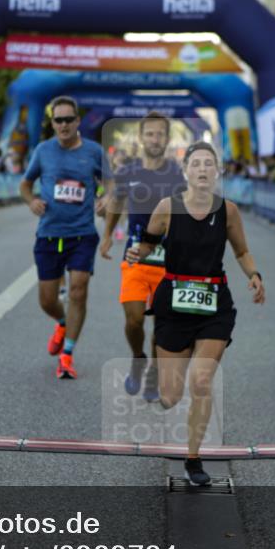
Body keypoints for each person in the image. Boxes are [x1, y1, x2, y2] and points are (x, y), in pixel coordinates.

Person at [127, 141, 265, 486]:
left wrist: (254, 274)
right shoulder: (167, 208)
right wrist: (136, 253)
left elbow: (242, 251)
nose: (202, 169)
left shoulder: (228, 211)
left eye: (208, 164)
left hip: (213, 305)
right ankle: (160, 372)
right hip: (173, 305)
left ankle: (193, 459)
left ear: (217, 172)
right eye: (196, 164)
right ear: (185, 171)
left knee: (201, 381)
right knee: (171, 396)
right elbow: (147, 244)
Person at [19, 96, 112, 379]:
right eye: (58, 120)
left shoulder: (94, 151)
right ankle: (61, 322)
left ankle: (67, 354)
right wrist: (31, 201)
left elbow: (111, 182)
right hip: (49, 234)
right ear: (53, 123)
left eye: (68, 119)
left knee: (78, 290)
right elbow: (25, 184)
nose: (63, 125)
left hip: (82, 233)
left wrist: (107, 197)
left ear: (77, 121)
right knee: (47, 300)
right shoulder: (43, 150)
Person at [100, 112, 185, 400]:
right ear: (141, 137)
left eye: (160, 134)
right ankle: (138, 358)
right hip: (135, 257)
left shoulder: (176, 174)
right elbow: (116, 201)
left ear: (167, 138)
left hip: (168, 262)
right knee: (134, 319)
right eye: (150, 134)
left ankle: (154, 375)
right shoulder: (128, 171)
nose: (155, 139)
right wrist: (107, 235)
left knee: (162, 325)